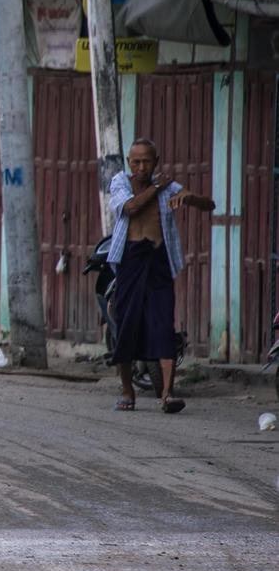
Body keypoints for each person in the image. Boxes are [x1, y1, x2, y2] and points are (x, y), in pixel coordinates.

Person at [108, 138, 215, 414]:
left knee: (163, 324)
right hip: (130, 260)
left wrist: (190, 197)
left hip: (159, 261)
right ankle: (127, 390)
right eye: (136, 162)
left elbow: (209, 205)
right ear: (129, 163)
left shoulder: (169, 187)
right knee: (127, 324)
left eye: (146, 161)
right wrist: (158, 187)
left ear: (156, 162)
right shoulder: (121, 183)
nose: (141, 167)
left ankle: (167, 394)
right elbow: (130, 208)